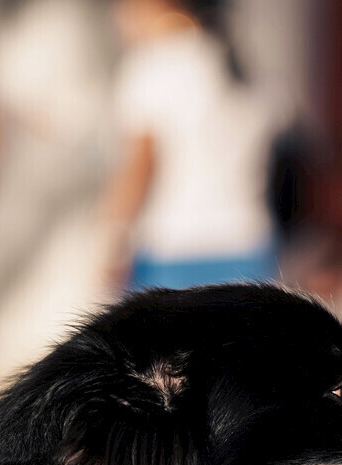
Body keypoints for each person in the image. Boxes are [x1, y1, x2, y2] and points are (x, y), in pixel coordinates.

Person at [100, 0, 280, 291]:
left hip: (175, 253)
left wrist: (113, 242)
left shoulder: (151, 66)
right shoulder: (235, 59)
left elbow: (141, 167)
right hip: (246, 245)